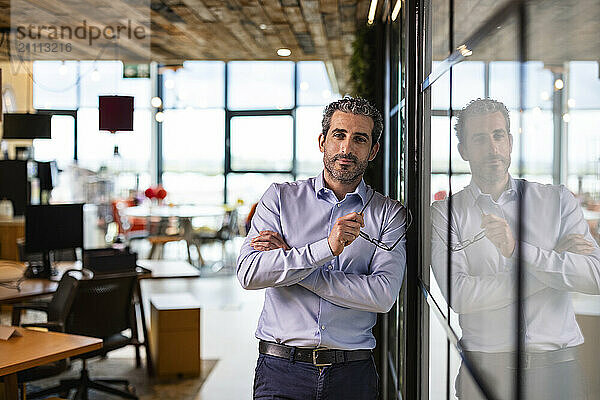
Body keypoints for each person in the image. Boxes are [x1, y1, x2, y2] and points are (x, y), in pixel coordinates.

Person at [237, 96, 407, 400]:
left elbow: (382, 297)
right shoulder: (279, 199)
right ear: (322, 141)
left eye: (359, 139)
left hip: (352, 374)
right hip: (280, 370)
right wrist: (325, 248)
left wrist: (292, 265)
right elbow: (249, 274)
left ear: (373, 150)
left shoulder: (388, 214)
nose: (346, 148)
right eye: (339, 135)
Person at [430, 98, 600, 399]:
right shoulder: (446, 213)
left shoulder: (557, 201)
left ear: (509, 141)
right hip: (485, 371)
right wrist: (552, 265)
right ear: (463, 150)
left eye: (498, 135)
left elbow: (594, 278)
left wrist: (517, 250)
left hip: (558, 371)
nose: (493, 147)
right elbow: (461, 296)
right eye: (480, 139)